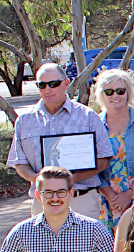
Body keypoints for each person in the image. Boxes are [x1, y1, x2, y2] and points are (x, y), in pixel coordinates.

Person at [7, 63, 114, 221]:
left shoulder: (87, 116)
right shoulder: (24, 121)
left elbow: (104, 159)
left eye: (53, 84)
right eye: (42, 85)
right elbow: (19, 163)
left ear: (66, 83)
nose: (48, 89)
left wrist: (71, 180)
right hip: (43, 203)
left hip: (81, 201)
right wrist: (37, 178)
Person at [94, 69, 134, 231]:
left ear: (128, 92)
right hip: (105, 199)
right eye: (109, 92)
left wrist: (129, 194)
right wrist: (111, 196)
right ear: (102, 95)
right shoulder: (94, 125)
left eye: (120, 91)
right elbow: (91, 168)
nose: (115, 96)